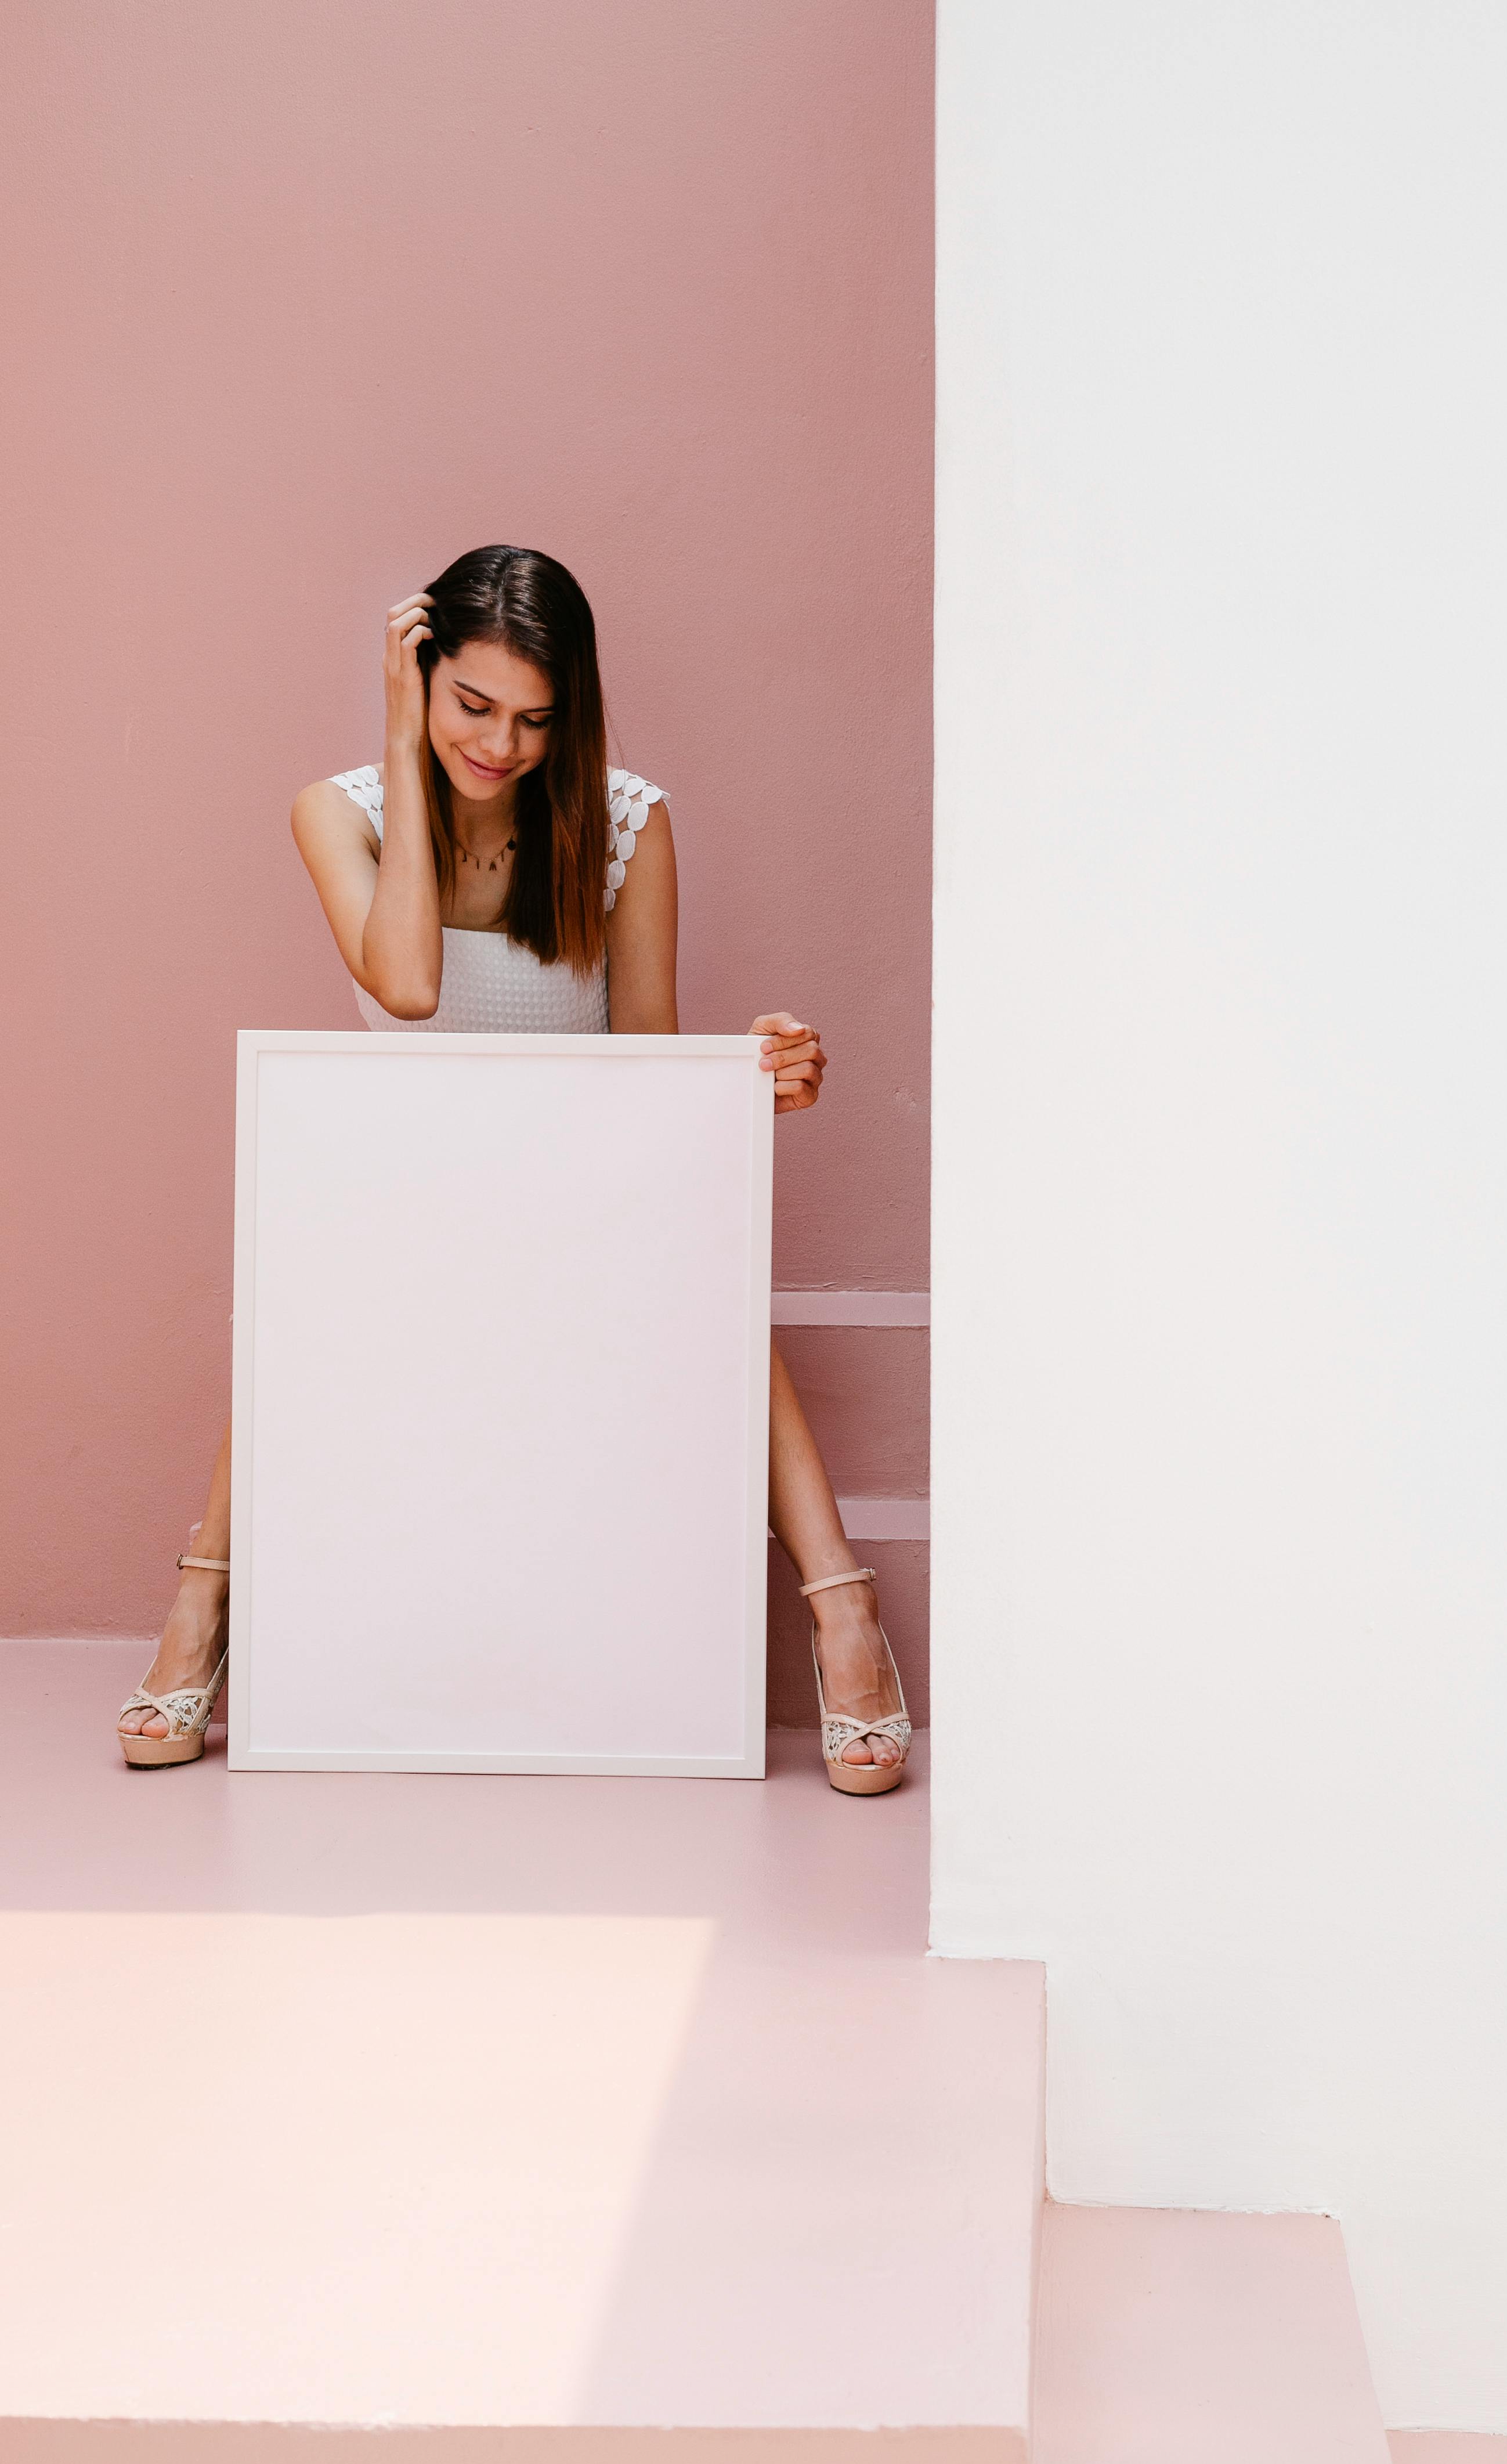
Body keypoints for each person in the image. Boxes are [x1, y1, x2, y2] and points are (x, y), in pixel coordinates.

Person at [117, 544, 911, 1796]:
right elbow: (409, 987)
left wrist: (761, 1076)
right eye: (469, 705)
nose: (500, 746)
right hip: (407, 1196)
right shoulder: (338, 810)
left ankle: (842, 1617)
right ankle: (203, 1611)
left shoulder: (624, 822)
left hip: (577, 1194)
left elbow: (647, 1061)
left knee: (705, 1264)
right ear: (422, 680)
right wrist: (396, 729)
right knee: (303, 1274)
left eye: (538, 720)